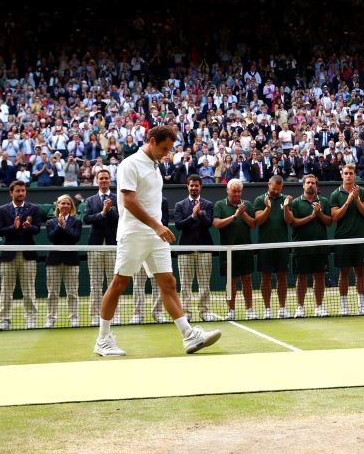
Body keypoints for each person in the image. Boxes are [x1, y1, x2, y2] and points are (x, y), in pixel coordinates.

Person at [94, 126, 221, 357]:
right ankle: (103, 340)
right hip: (133, 233)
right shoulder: (130, 164)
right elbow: (129, 202)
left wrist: (157, 228)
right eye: (164, 149)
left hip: (156, 235)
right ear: (151, 141)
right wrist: (156, 225)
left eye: (169, 150)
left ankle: (188, 335)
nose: (166, 154)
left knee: (168, 283)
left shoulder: (156, 165)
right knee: (119, 284)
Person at [0, 180, 42, 330]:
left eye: (23, 190)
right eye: (18, 191)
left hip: (28, 254)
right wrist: (13, 228)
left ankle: (30, 319)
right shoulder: (2, 210)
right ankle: (4, 320)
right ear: (11, 193)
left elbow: (37, 229)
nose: (21, 193)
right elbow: (0, 231)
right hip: (8, 255)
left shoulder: (34, 209)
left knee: (29, 289)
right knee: (6, 290)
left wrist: (28, 227)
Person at [285, 174, 332, 318]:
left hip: (320, 246)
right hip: (301, 246)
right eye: (308, 183)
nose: (310, 185)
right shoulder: (296, 203)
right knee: (302, 278)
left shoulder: (323, 201)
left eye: (313, 183)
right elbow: (292, 222)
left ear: (316, 186)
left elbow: (329, 222)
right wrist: (311, 217)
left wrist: (319, 213)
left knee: (319, 277)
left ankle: (319, 307)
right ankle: (300, 307)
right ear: (303, 185)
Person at [174, 175, 218, 322]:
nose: (194, 188)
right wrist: (193, 216)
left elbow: (208, 224)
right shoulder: (180, 205)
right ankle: (185, 313)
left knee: (204, 284)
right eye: (191, 185)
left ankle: (204, 311)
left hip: (204, 248)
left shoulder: (208, 204)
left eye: (196, 186)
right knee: (185, 284)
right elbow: (179, 225)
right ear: (188, 186)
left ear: (200, 187)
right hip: (185, 250)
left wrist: (199, 213)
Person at [329, 165, 364, 316]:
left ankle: (361, 304)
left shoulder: (363, 192)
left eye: (351, 173)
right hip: (342, 238)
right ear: (342, 175)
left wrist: (357, 198)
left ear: (354, 175)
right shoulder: (335, 194)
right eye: (346, 173)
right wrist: (348, 201)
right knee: (344, 273)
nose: (348, 176)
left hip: (360, 237)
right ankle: (344, 306)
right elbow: (335, 217)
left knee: (360, 272)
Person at [213, 179, 256, 320]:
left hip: (245, 249)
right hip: (228, 251)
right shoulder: (219, 204)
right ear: (227, 190)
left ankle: (249, 310)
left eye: (239, 191)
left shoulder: (247, 205)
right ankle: (231, 311)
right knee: (230, 283)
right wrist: (235, 215)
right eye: (234, 191)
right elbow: (217, 224)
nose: (237, 194)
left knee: (247, 281)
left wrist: (242, 213)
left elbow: (253, 224)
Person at [253, 175, 292, 319]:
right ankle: (267, 309)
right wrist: (268, 208)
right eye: (274, 189)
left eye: (279, 189)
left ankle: (282, 308)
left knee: (282, 277)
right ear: (269, 185)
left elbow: (289, 221)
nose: (276, 191)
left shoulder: (285, 200)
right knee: (266, 277)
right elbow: (258, 221)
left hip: (282, 244)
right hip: (265, 245)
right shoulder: (259, 200)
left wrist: (286, 207)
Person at [84, 169, 117, 326]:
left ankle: (113, 316)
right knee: (95, 283)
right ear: (97, 181)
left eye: (106, 178)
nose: (103, 181)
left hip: (113, 246)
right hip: (95, 245)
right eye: (101, 178)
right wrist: (103, 213)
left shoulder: (117, 198)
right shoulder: (90, 200)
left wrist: (109, 211)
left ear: (109, 180)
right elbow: (87, 218)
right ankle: (94, 315)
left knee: (113, 283)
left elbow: (120, 218)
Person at [131, 195, 169, 324]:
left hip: (155, 245)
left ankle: (157, 313)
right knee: (137, 284)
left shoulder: (162, 201)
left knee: (158, 284)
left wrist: (150, 224)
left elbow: (164, 221)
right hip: (138, 245)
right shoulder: (134, 201)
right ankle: (137, 314)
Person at [45, 194, 82, 328]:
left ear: (71, 206)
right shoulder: (50, 222)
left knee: (72, 293)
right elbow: (52, 238)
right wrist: (60, 226)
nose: (65, 206)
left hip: (71, 261)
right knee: (52, 293)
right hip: (54, 261)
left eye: (68, 204)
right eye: (63, 203)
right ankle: (51, 319)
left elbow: (74, 238)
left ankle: (74, 318)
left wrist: (64, 227)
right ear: (58, 206)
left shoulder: (77, 221)